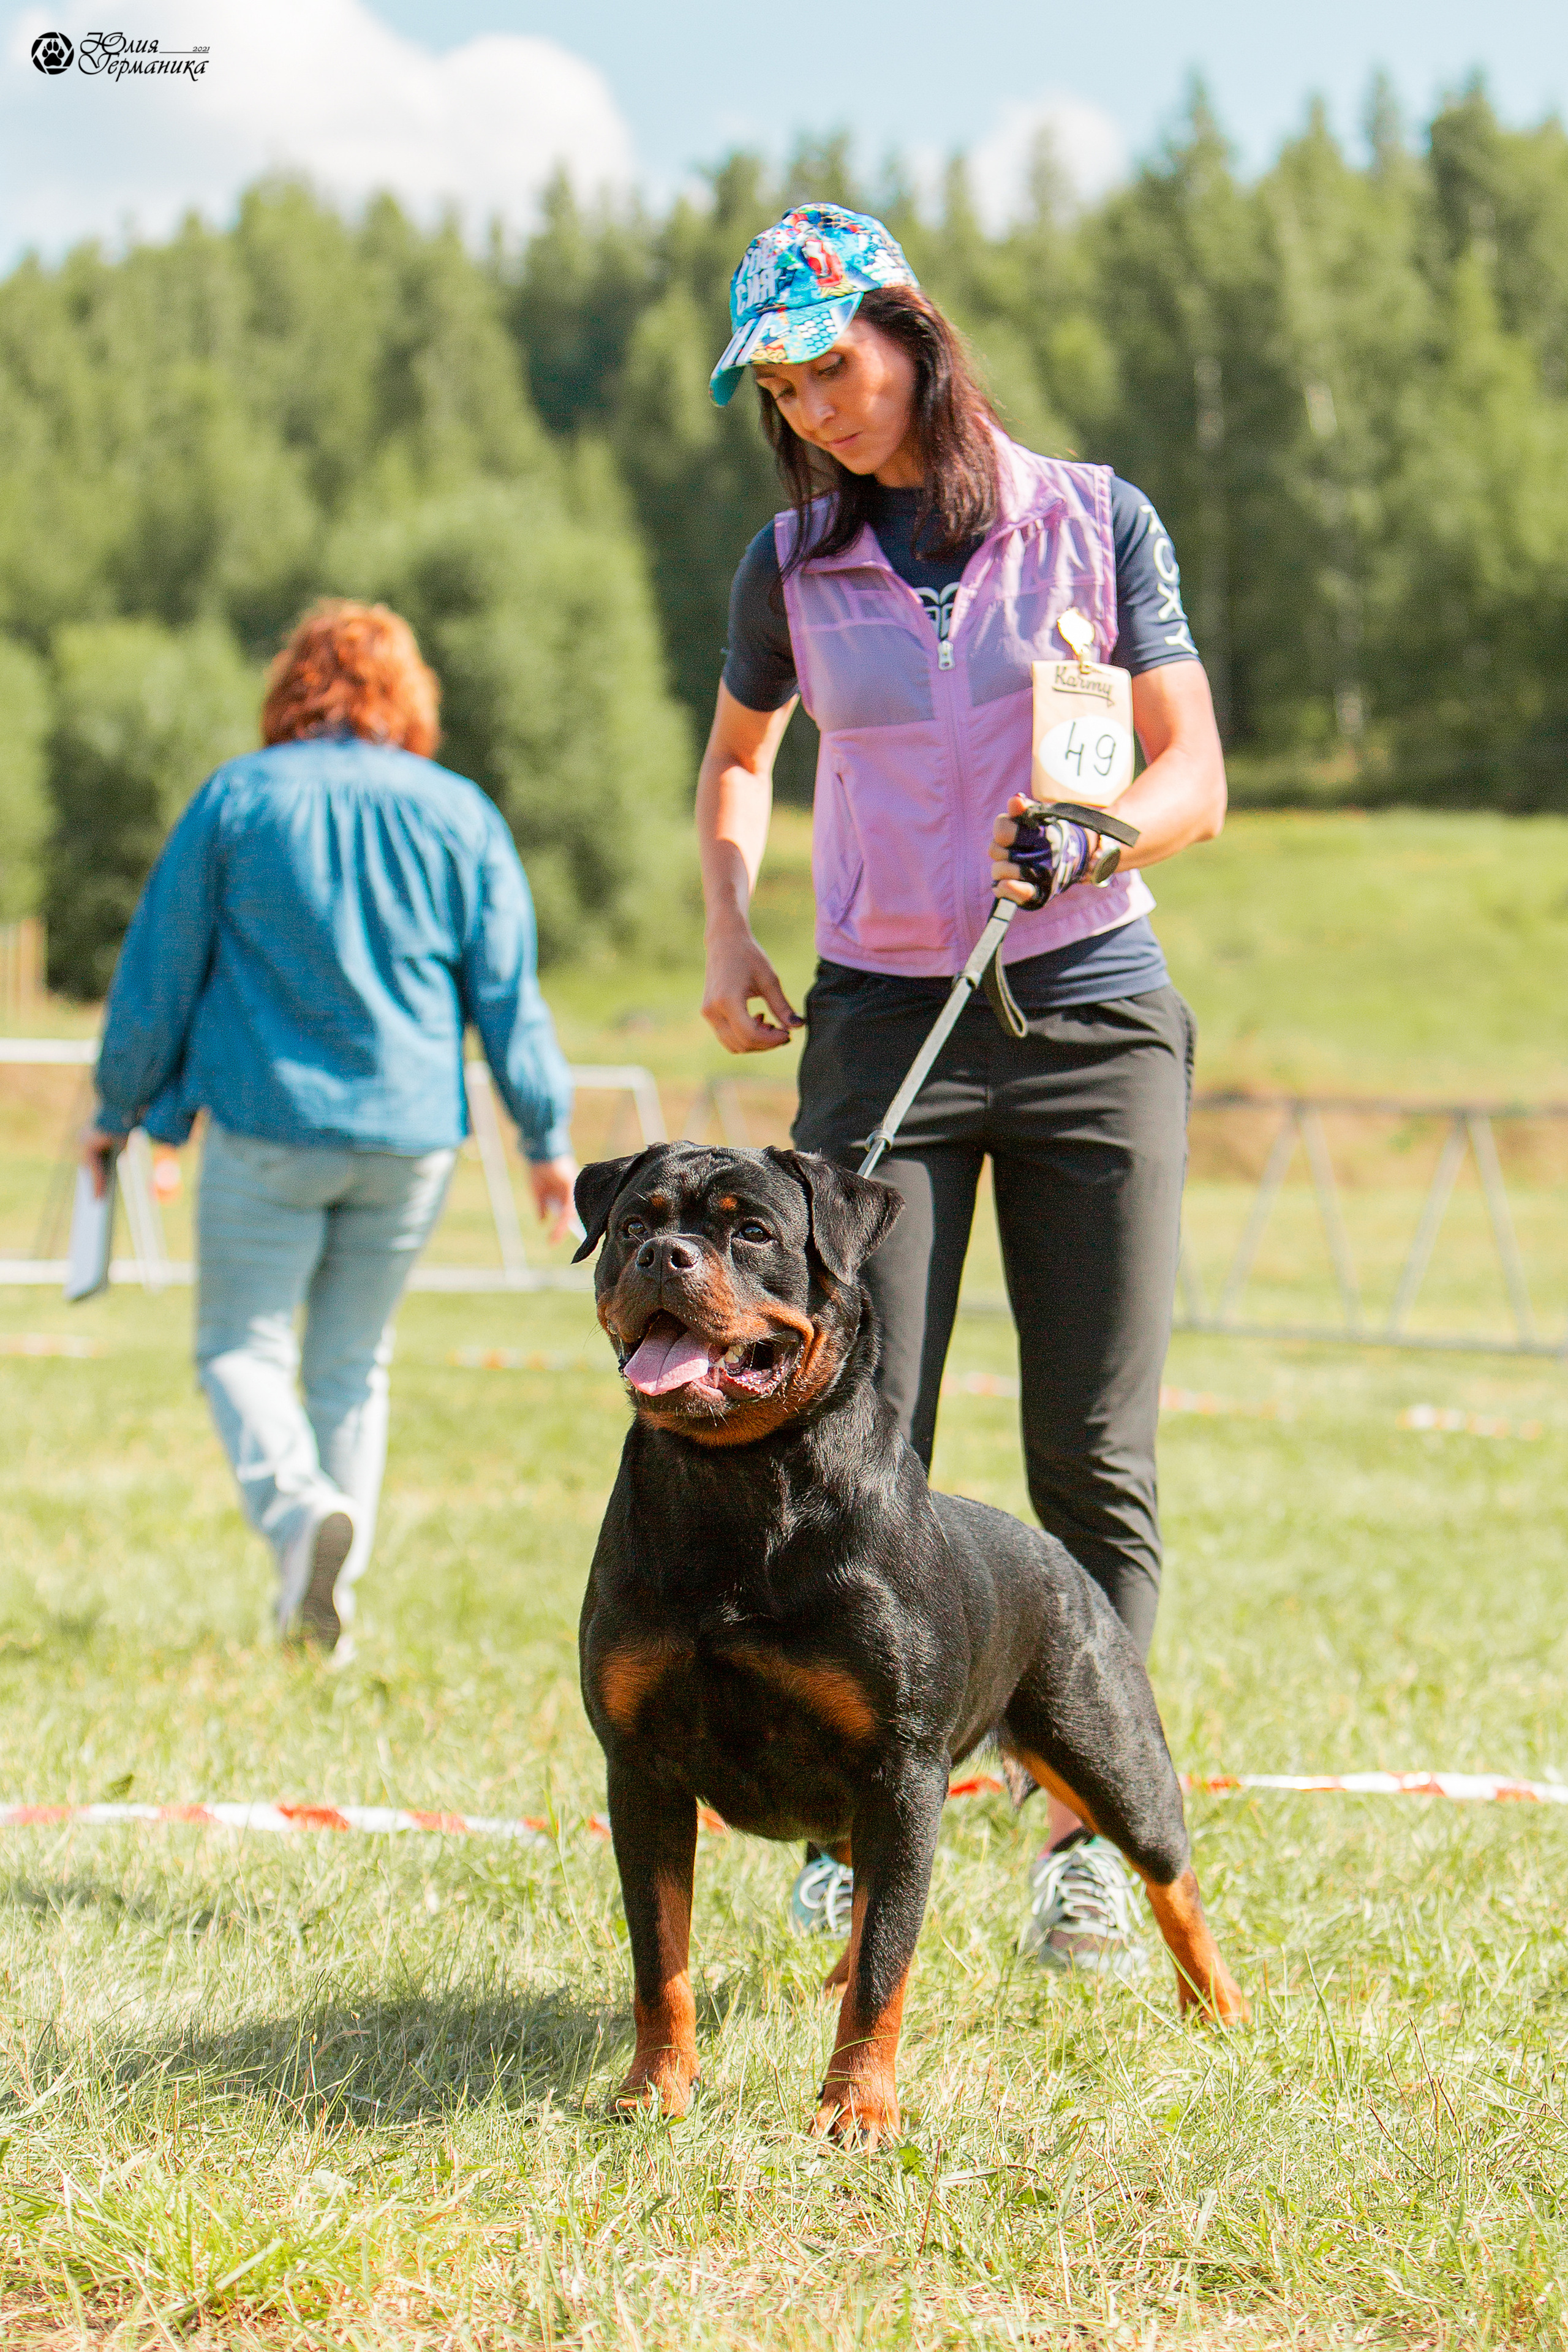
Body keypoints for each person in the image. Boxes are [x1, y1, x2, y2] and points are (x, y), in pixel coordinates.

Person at [698, 206, 1226, 1975]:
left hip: (1088, 1010)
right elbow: (737, 767)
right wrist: (727, 926)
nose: (821, 410)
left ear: (913, 335)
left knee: (1091, 1454)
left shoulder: (1098, 514)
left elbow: (1194, 770)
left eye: (833, 368)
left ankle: (1086, 1835)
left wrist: (1102, 830)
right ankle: (869, 1822)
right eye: (785, 390)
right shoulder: (790, 561)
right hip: (881, 1025)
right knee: (860, 1435)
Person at [83, 601, 576, 1660]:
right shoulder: (460, 813)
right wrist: (546, 1142)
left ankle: (301, 1516)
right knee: (353, 1366)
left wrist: (118, 1107)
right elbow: (509, 996)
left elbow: (160, 975)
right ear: (408, 698)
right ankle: (324, 1610)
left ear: (291, 689)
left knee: (238, 1345)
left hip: (270, 1124)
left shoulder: (237, 799)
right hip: (411, 1142)